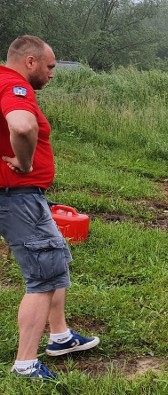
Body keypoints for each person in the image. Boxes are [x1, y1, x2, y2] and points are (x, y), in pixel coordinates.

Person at [1, 35, 100, 380]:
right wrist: (26, 163)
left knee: (54, 258)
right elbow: (22, 125)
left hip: (24, 195)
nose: (53, 74)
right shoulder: (13, 86)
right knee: (43, 274)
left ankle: (60, 337)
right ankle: (25, 365)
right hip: (16, 194)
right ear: (30, 61)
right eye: (50, 66)